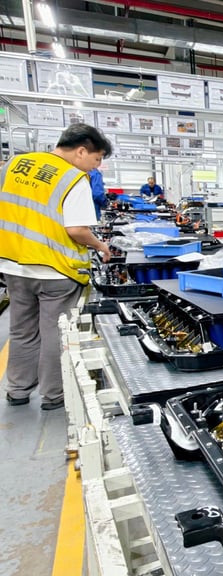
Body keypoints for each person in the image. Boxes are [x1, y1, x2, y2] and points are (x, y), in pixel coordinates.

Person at [0, 124, 114, 410]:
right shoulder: (73, 178)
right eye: (97, 159)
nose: (96, 166)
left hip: (14, 265)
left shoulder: (14, 165)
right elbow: (76, 229)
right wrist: (100, 245)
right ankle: (53, 395)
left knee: (22, 329)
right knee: (55, 332)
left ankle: (17, 390)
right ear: (81, 151)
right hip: (56, 269)